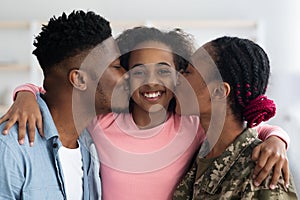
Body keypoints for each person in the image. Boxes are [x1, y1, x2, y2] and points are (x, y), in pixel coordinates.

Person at [0, 27, 291, 199]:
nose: (151, 82)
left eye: (164, 71)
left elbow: (240, 126)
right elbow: (62, 96)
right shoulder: (103, 121)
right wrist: (25, 93)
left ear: (179, 76)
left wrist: (277, 138)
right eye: (138, 71)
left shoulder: (192, 123)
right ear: (124, 77)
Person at [0, 10, 128, 199]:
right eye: (117, 66)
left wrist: (25, 92)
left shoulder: (90, 144)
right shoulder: (10, 147)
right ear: (80, 79)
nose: (127, 74)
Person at [173, 36, 298, 199]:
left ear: (218, 92)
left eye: (188, 72)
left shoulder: (263, 171)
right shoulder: (196, 156)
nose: (178, 78)